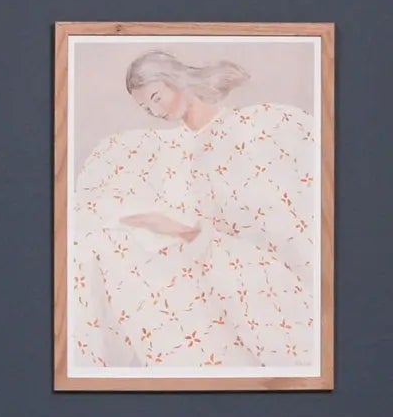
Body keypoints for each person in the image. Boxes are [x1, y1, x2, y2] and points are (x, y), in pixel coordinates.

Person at [66, 49, 318, 374]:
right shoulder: (165, 149)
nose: (156, 111)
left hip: (249, 267)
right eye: (146, 108)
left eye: (157, 98)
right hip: (196, 263)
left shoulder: (252, 126)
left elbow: (273, 221)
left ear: (176, 80)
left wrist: (183, 231)